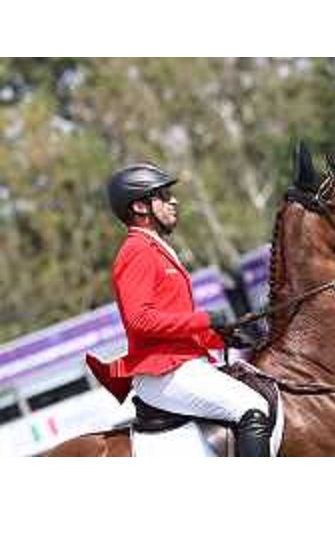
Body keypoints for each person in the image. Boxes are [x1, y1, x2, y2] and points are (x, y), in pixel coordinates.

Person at [89, 162, 270, 456]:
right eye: (163, 195)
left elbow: (172, 324)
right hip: (162, 373)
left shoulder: (158, 247)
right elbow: (139, 320)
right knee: (253, 407)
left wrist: (219, 336)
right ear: (140, 206)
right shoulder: (137, 251)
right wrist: (205, 319)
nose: (174, 201)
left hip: (180, 363)